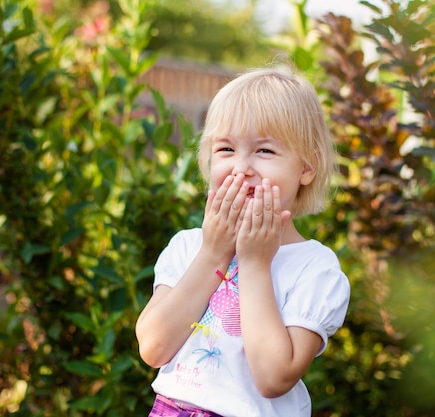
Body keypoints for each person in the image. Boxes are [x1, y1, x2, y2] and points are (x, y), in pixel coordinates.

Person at [135, 66, 351, 417]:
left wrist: (254, 263)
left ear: (307, 167)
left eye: (264, 151)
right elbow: (154, 347)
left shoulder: (315, 268)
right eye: (226, 149)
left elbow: (273, 377)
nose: (241, 167)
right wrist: (212, 253)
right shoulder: (189, 247)